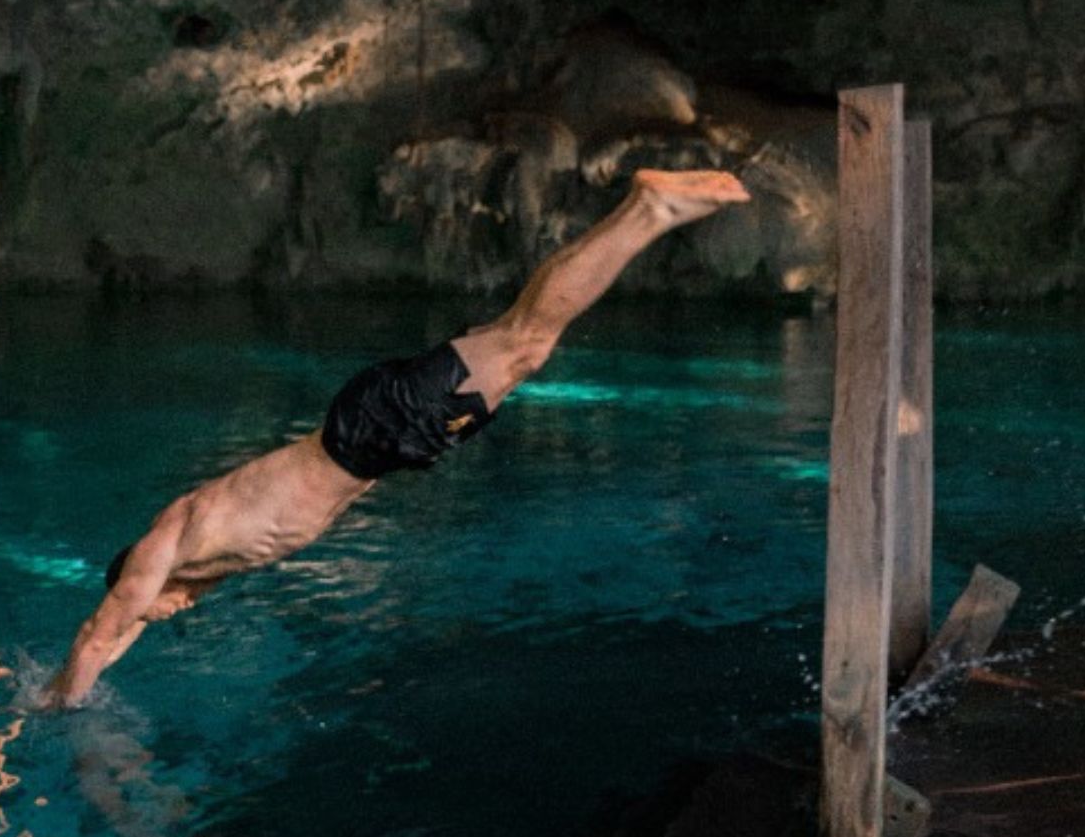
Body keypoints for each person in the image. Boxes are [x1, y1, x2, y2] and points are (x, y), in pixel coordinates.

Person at [39, 169, 751, 707]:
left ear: (139, 581)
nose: (171, 613)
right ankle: (647, 211)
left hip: (372, 430)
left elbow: (103, 633)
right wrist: (114, 643)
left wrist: (53, 703)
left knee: (525, 341)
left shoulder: (164, 548)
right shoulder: (197, 560)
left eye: (156, 607)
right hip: (377, 437)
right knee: (519, 340)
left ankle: (650, 208)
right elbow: (123, 633)